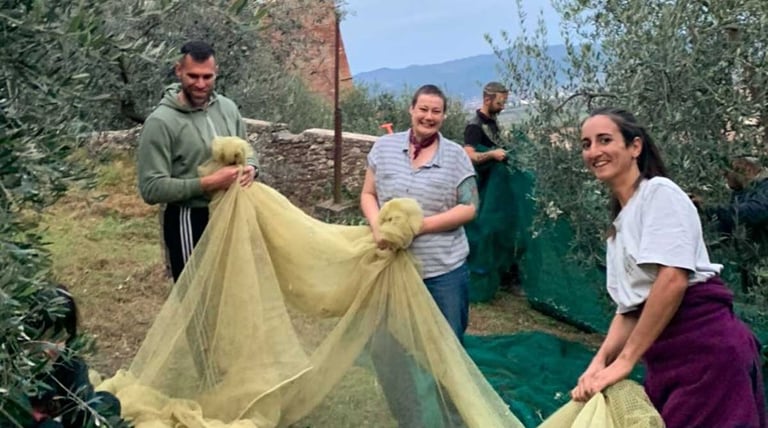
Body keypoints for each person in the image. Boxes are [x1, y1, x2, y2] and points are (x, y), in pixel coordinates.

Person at [571, 107, 765, 427]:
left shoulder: (660, 194)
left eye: (605, 140)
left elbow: (673, 279)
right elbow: (629, 310)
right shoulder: (618, 226)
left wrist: (624, 362)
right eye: (586, 144)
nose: (594, 151)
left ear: (635, 147)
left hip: (707, 353)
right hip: (667, 361)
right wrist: (599, 362)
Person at [361, 84, 478, 340]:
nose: (429, 116)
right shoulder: (384, 147)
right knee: (390, 343)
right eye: (423, 109)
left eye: (436, 111)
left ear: (444, 116)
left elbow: (470, 207)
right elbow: (368, 194)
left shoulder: (457, 156)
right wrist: (377, 228)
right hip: (390, 263)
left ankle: (440, 383)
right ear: (411, 110)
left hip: (442, 271)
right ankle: (397, 382)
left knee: (446, 344)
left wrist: (420, 226)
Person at [137, 40, 259, 282]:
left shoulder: (228, 108)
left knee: (230, 292)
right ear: (178, 70)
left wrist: (252, 168)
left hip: (230, 216)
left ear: (216, 72)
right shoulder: (161, 122)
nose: (201, 84)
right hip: (188, 219)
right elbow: (151, 188)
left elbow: (249, 151)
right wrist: (208, 183)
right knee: (196, 300)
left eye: (208, 77)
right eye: (193, 76)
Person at [25, 286, 124, 427]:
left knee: (109, 402)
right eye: (44, 338)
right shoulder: (14, 368)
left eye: (59, 337)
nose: (52, 347)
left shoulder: (69, 361)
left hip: (65, 417)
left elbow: (84, 404)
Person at [463, 81, 524, 299]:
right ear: (488, 99)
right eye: (500, 102)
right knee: (487, 231)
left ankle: (506, 277)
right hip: (485, 191)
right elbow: (468, 154)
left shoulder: (492, 122)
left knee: (504, 232)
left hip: (498, 191)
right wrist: (491, 155)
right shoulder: (474, 125)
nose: (503, 106)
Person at [700, 156, 768, 291]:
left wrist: (709, 208)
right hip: (750, 262)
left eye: (728, 172)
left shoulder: (764, 187)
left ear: (747, 169)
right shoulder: (741, 193)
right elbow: (730, 225)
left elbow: (754, 212)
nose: (725, 177)